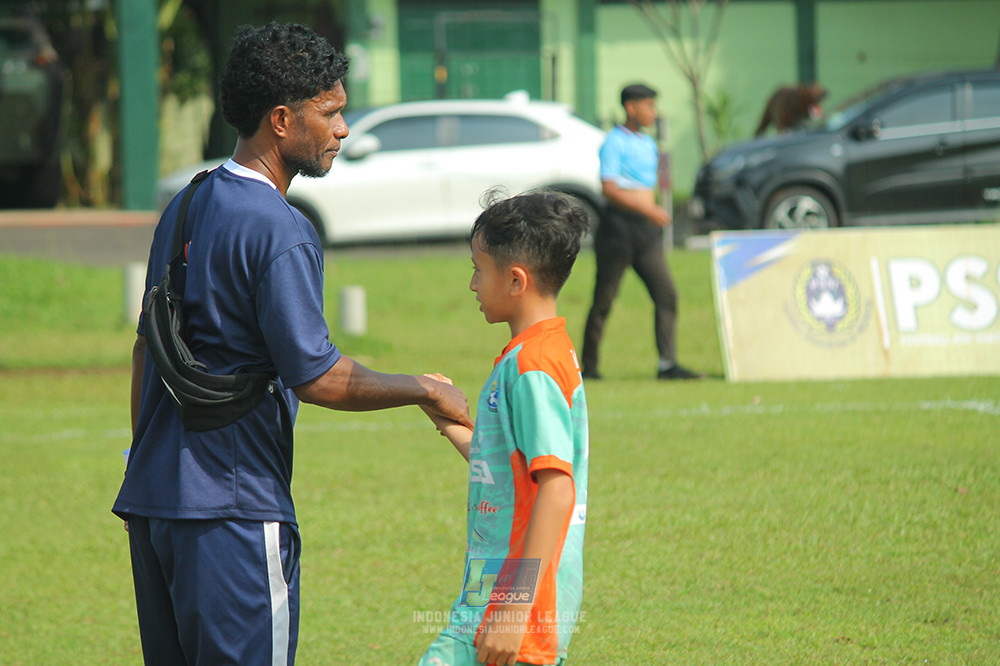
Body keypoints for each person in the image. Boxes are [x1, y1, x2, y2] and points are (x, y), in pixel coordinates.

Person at [112, 22, 472, 666]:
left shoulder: (187, 204)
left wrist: (148, 456)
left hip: (155, 504)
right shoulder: (282, 229)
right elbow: (319, 377)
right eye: (330, 112)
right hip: (234, 512)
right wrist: (424, 389)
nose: (343, 129)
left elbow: (148, 347)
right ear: (281, 120)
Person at [418, 190, 590, 666]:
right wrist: (445, 422)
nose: (472, 283)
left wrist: (514, 614)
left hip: (517, 606)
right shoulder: (532, 355)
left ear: (516, 280)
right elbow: (502, 468)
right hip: (489, 592)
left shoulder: (534, 367)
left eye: (479, 268)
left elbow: (556, 489)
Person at [581, 83, 703, 380]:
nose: (653, 112)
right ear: (630, 107)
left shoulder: (649, 144)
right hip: (618, 228)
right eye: (647, 105)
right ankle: (589, 367)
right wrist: (648, 210)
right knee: (604, 299)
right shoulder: (614, 142)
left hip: (646, 233)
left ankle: (667, 364)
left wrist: (655, 209)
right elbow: (609, 188)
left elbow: (648, 186)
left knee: (666, 294)